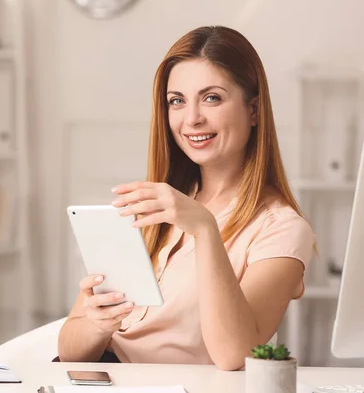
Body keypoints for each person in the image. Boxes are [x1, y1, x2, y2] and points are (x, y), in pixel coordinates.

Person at [56, 25, 316, 371]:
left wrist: (205, 229)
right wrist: (97, 325)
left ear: (253, 110)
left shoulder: (281, 228)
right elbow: (69, 351)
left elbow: (235, 356)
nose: (191, 119)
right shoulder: (150, 207)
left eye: (212, 98)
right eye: (177, 101)